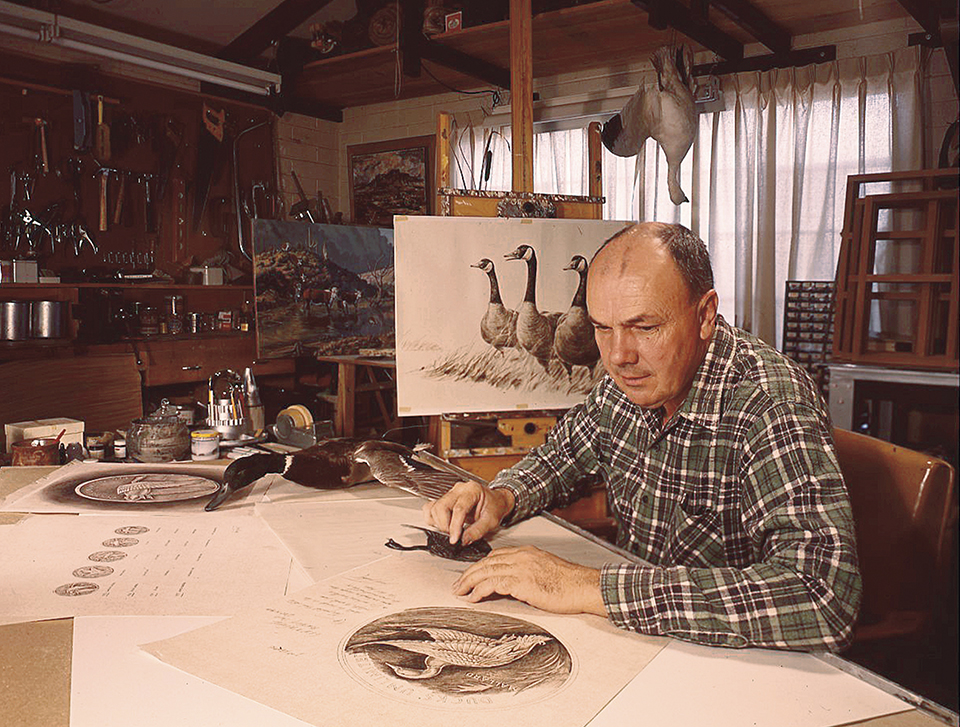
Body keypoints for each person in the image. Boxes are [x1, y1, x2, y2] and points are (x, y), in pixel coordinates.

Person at [424, 222, 861, 650]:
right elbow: (565, 454)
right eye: (603, 327)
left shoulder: (770, 405)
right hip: (643, 641)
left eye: (645, 327)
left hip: (738, 667)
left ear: (705, 315)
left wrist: (586, 586)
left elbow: (822, 594)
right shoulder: (632, 379)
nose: (618, 357)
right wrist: (502, 498)